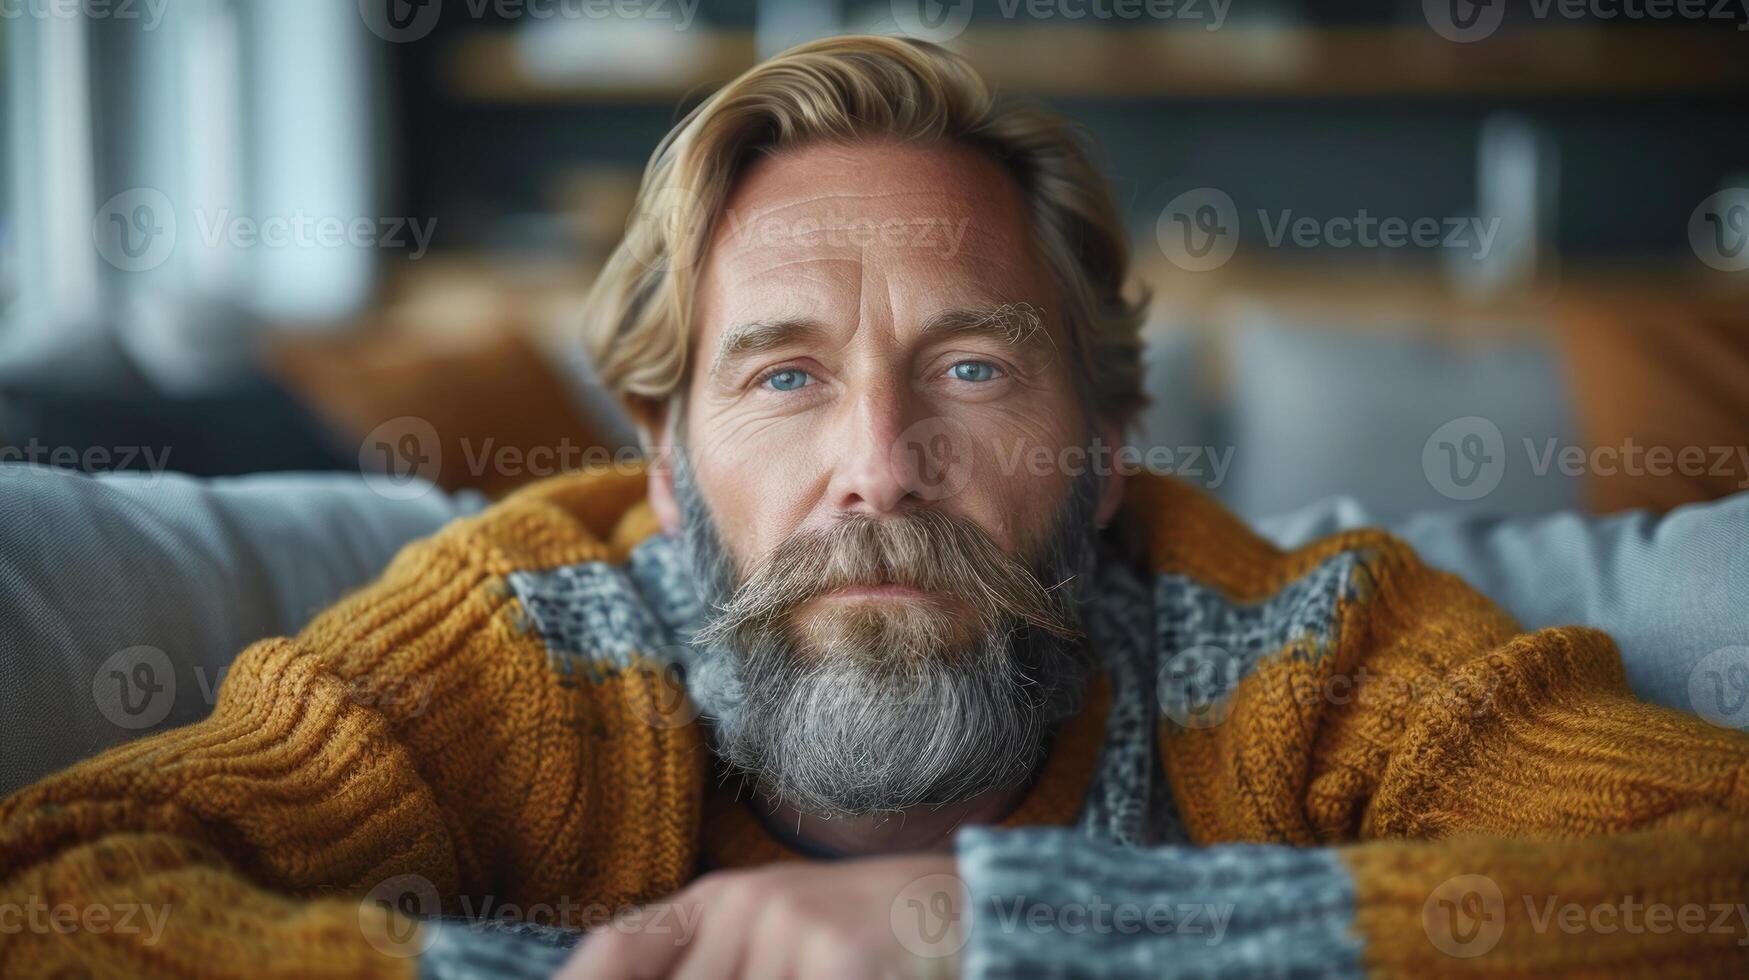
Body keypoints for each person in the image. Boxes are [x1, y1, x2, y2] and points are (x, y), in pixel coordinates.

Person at [4, 35, 1747, 980]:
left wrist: (1006, 939)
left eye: (973, 371)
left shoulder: (1306, 646)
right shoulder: (530, 632)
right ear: (667, 462)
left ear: (1108, 443)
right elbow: (51, 888)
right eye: (780, 377)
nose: (881, 466)